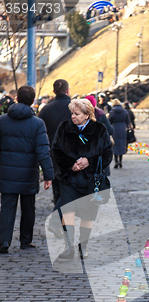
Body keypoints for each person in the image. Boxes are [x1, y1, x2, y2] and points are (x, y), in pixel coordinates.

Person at [52, 99, 112, 259]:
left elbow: (107, 154)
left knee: (87, 215)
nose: (73, 116)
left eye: (77, 114)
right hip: (68, 178)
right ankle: (69, 247)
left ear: (87, 115)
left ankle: (82, 247)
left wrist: (89, 162)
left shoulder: (99, 129)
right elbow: (56, 150)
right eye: (72, 113)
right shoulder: (64, 128)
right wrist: (70, 164)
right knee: (67, 210)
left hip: (90, 180)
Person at [0, 85, 53, 254]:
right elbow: (43, 151)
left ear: (17, 98)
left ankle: (4, 241)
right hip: (28, 172)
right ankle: (25, 241)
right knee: (28, 207)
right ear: (32, 100)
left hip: (6, 171)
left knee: (7, 207)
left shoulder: (2, 120)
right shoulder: (37, 123)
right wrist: (48, 175)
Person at [39, 79, 71, 205]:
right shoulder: (76, 108)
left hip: (53, 151)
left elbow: (41, 133)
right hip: (71, 151)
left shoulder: (45, 110)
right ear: (67, 91)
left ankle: (58, 203)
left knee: (57, 182)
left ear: (54, 91)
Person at [109, 98, 130, 168]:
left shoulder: (112, 112)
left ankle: (116, 162)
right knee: (121, 144)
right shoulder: (125, 111)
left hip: (114, 128)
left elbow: (109, 121)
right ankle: (120, 161)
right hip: (122, 129)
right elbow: (128, 121)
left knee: (115, 144)